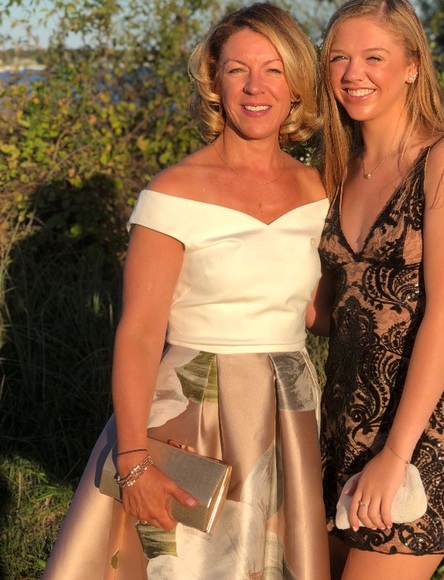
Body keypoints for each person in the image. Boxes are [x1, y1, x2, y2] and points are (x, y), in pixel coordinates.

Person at [43, 4, 331, 579]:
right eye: (237, 70)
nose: (255, 87)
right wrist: (133, 460)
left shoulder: (317, 188)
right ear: (215, 83)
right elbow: (139, 333)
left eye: (273, 69)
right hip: (189, 413)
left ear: (297, 84)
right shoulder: (174, 191)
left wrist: (420, 302)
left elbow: (312, 311)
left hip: (288, 406)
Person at [308, 1, 444, 578]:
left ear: (413, 65)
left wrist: (395, 454)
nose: (353, 74)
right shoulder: (335, 170)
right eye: (338, 58)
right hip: (343, 419)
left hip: (422, 426)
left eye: (374, 57)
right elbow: (328, 313)